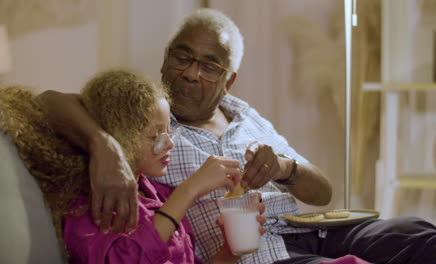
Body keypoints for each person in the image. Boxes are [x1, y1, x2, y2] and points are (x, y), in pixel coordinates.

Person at [38, 8, 436, 264]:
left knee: (418, 235)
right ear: (165, 57)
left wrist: (283, 167)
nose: (191, 73)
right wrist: (102, 143)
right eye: (182, 56)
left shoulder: (246, 115)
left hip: (316, 229)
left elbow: (324, 193)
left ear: (229, 81)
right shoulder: (143, 121)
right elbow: (49, 102)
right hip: (261, 255)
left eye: (209, 66)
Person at [0, 69, 266, 263]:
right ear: (120, 136)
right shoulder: (85, 207)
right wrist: (190, 189)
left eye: (170, 132)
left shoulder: (156, 194)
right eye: (155, 136)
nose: (169, 144)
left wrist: (228, 253)